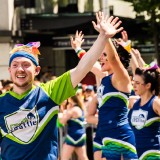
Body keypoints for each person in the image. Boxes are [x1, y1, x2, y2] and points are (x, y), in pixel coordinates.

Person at [0, 12, 123, 160]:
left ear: (37, 70)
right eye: (15, 65)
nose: (20, 69)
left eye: (26, 65)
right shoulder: (1, 102)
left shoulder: (49, 92)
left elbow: (82, 68)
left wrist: (103, 37)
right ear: (9, 70)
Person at [71, 13, 138, 159]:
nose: (101, 58)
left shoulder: (122, 78)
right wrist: (78, 48)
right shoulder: (104, 77)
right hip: (107, 136)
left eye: (104, 55)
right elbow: (88, 63)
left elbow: (114, 58)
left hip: (122, 137)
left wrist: (105, 35)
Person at [128, 65, 160, 159]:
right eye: (133, 82)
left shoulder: (156, 103)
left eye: (137, 83)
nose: (133, 85)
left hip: (152, 153)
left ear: (148, 85)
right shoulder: (134, 103)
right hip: (135, 153)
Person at [59, 95, 88, 160]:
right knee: (83, 157)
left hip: (73, 136)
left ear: (71, 99)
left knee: (64, 158)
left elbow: (62, 121)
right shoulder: (80, 108)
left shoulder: (73, 110)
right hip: (81, 135)